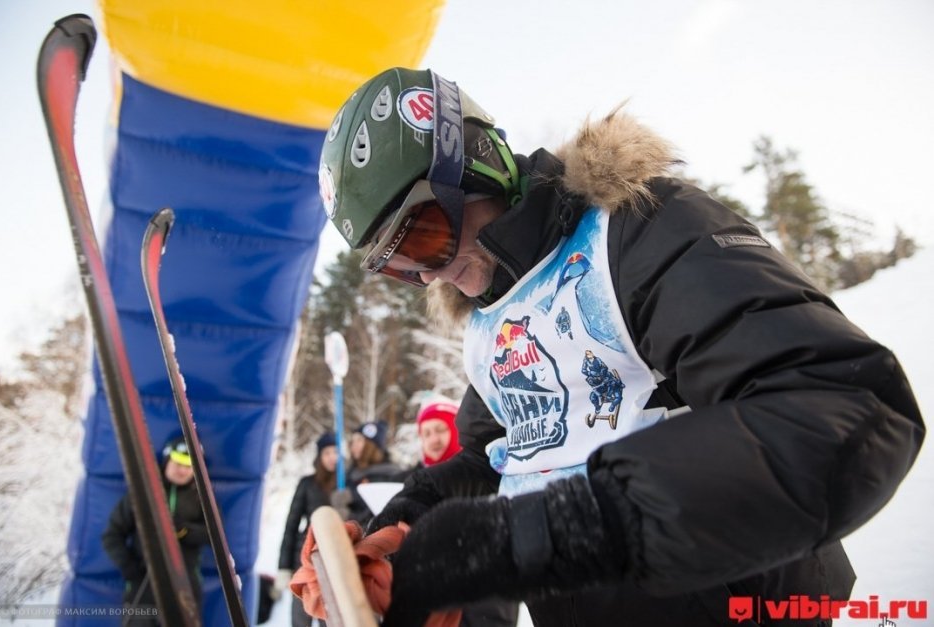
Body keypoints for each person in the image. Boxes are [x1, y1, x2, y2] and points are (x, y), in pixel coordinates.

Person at [316, 67, 925, 627]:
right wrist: (401, 530)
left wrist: (548, 534)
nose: (425, 276)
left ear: (480, 162)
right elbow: (497, 455)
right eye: (394, 266)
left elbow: (843, 408)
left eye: (421, 238)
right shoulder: (491, 319)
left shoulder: (639, 229)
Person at [415, 399, 520, 627]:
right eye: (427, 433)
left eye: (441, 429)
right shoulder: (415, 485)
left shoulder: (489, 474)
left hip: (486, 599)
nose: (434, 439)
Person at [102, 437, 207, 623]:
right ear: (167, 460)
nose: (183, 470)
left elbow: (211, 536)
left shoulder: (202, 499)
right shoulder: (143, 494)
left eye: (189, 465)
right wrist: (130, 568)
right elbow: (112, 535)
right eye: (178, 463)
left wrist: (183, 530)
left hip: (185, 588)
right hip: (143, 585)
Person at [275, 432, 338, 627]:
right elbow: (291, 525)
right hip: (305, 561)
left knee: (329, 619)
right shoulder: (307, 484)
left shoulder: (346, 485)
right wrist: (284, 566)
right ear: (320, 456)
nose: (332, 458)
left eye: (336, 452)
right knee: (300, 618)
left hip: (334, 564)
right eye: (327, 453)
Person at [345, 420, 403, 526]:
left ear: (371, 445)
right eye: (353, 441)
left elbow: (378, 514)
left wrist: (348, 514)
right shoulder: (350, 473)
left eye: (359, 440)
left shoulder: (389, 474)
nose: (354, 445)